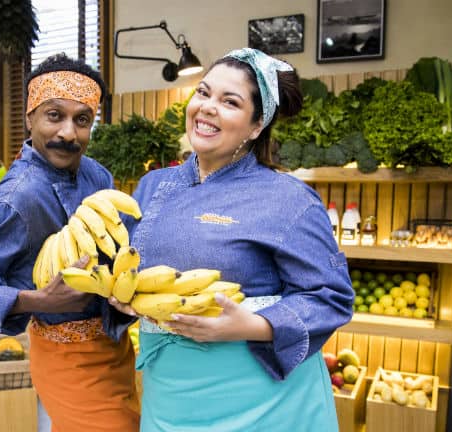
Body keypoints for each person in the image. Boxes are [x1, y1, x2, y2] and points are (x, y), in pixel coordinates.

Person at [111, 48, 354, 431]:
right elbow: (122, 263)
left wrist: (251, 325)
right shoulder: (152, 187)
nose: (207, 107)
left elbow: (330, 297)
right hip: (171, 395)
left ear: (257, 125)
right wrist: (118, 294)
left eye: (229, 102)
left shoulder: (288, 198)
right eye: (203, 93)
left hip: (262, 401)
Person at [0, 53, 140, 432]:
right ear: (30, 118)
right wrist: (38, 300)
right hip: (64, 354)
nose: (69, 133)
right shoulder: (15, 199)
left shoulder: (96, 175)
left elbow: (122, 245)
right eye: (55, 115)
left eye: (82, 119)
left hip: (116, 345)